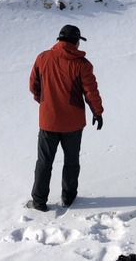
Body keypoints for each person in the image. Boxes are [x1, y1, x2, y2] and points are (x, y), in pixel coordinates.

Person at [28, 24, 104, 211]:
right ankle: (69, 197)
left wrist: (44, 102)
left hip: (48, 121)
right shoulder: (82, 64)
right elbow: (90, 91)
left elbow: (34, 86)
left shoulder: (43, 58)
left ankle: (38, 201)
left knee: (44, 162)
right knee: (71, 161)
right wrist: (97, 112)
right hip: (73, 123)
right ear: (76, 41)